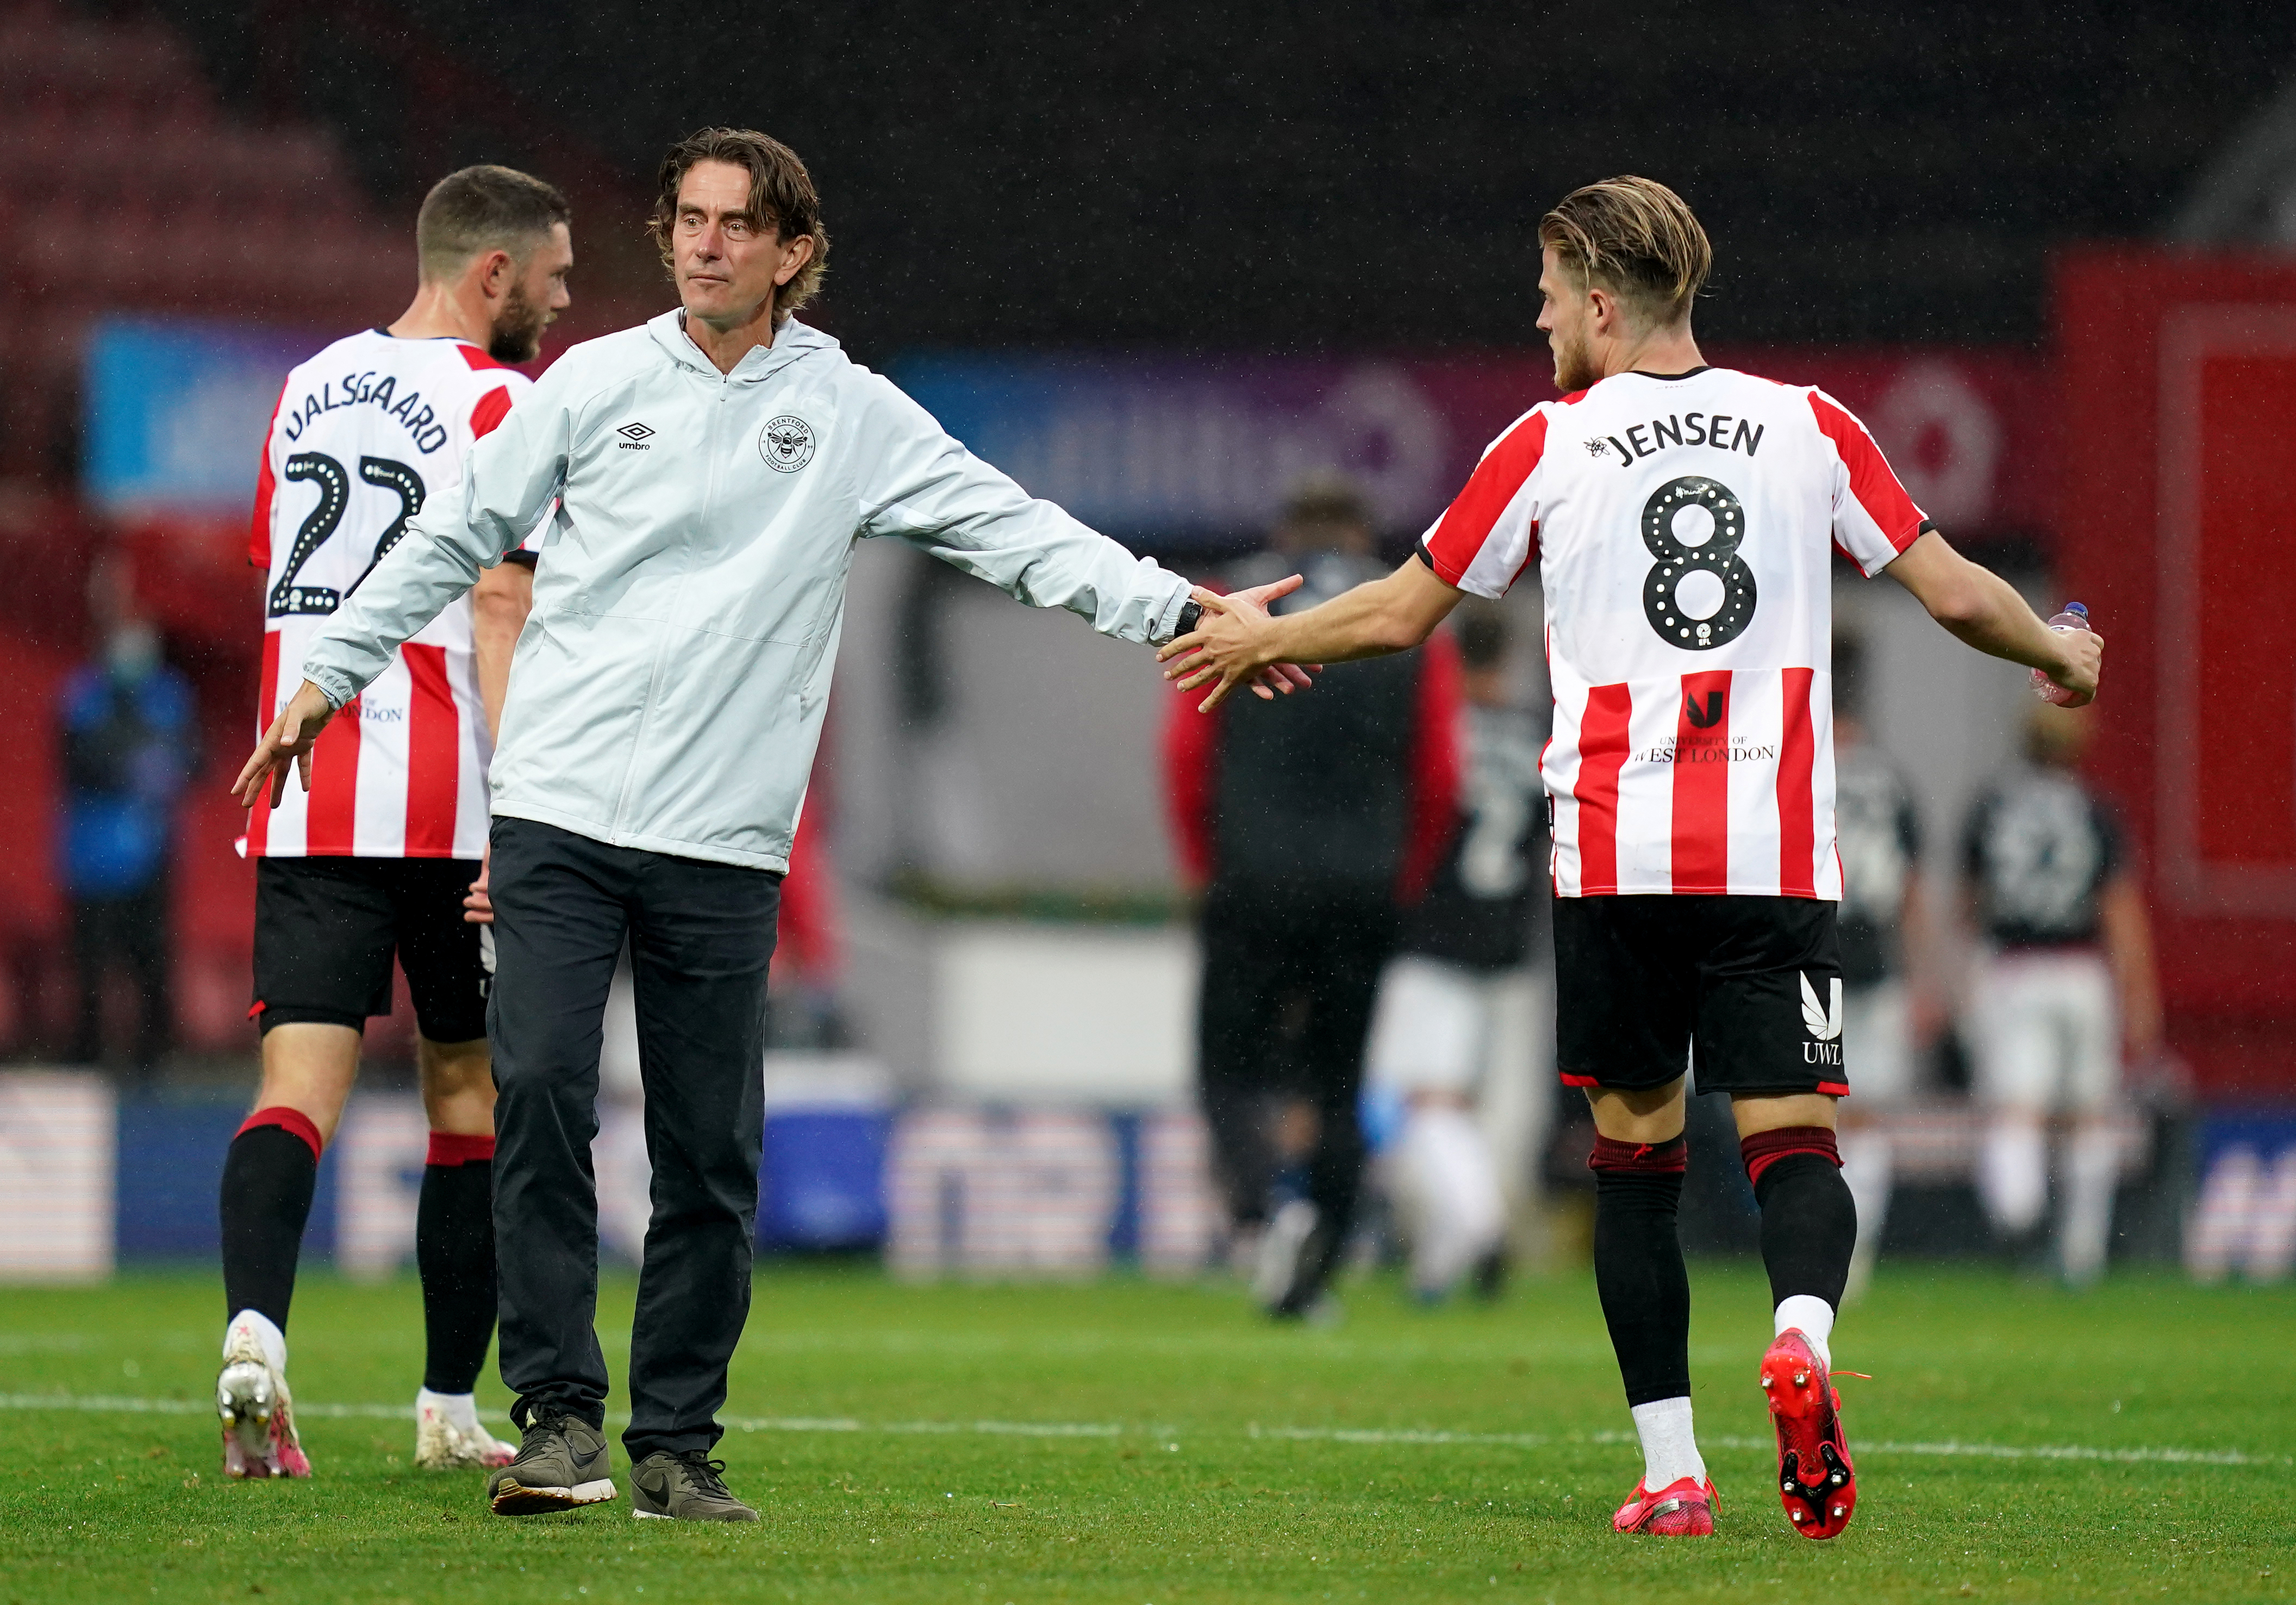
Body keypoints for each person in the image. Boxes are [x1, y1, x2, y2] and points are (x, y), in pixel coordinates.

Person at [234, 127, 1302, 1523]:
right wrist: (330, 675)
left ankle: (676, 1439)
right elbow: (445, 541)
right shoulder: (595, 379)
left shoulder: (851, 411)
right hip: (555, 812)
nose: (703, 243)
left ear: (794, 250)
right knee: (543, 1096)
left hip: (721, 838)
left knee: (705, 1149)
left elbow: (1013, 527)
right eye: (687, 219)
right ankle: (559, 1419)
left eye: (737, 225)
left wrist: (1179, 607)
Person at [1160, 176, 2103, 1541]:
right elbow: (1951, 588)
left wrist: (1259, 637)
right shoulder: (1806, 423)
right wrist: (2056, 649)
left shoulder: (1549, 441)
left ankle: (1672, 1472)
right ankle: (1800, 1338)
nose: (1537, 315)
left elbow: (1397, 614)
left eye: (1548, 291)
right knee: (1792, 1142)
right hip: (1769, 851)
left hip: (1613, 857)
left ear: (1601, 302)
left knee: (1634, 1161)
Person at [217, 164, 572, 1481]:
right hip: (448, 805)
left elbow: (283, 573)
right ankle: (443, 1403)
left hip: (306, 791)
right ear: (494, 273)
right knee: (466, 1094)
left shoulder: (307, 381)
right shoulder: (501, 398)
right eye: (554, 274)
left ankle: (255, 1331)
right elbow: (495, 603)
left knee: (293, 1091)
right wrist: (524, 801)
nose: (563, 295)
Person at [1162, 474, 1459, 1318]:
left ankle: (1269, 1214)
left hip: (1251, 876)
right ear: (1361, 533)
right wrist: (1403, 874)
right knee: (1337, 1079)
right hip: (1363, 885)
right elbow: (1440, 771)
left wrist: (1200, 862)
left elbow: (1188, 747)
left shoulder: (1235, 604)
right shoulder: (1401, 613)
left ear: (1286, 535)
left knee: (1227, 1068)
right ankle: (1319, 1263)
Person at [1362, 601, 1549, 1303]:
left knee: (1428, 1103)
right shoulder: (1538, 735)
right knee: (1461, 1108)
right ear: (1508, 657)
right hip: (1512, 944)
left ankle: (1483, 1225)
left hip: (1434, 936)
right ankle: (1435, 1270)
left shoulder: (1434, 728)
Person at [1961, 701, 2158, 1286]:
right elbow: (2119, 908)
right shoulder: (2095, 810)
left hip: (2015, 968)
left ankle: (2019, 1223)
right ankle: (2080, 1249)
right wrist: (2141, 993)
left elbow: (1971, 903)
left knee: (2016, 1109)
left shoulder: (1993, 806)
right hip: (2082, 972)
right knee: (2086, 1116)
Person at [59, 554, 199, 1077]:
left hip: (152, 854)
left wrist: (167, 766)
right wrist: (140, 763)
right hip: (92, 857)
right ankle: (89, 1064)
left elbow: (195, 760)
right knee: (92, 971)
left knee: (151, 967)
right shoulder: (84, 691)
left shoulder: (170, 693)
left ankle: (154, 1067)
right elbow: (79, 758)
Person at [1827, 633, 1933, 1298]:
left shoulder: (1797, 765)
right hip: (1877, 964)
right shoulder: (1892, 782)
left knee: (1807, 1115)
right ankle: (1853, 1256)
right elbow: (1913, 892)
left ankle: (1818, 1248)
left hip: (1811, 962)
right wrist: (1923, 977)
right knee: (1865, 1119)